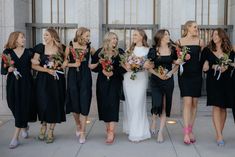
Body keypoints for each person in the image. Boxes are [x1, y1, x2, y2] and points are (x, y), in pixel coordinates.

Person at [1, 31, 36, 149]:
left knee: (22, 107)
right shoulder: (7, 53)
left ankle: (15, 138)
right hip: (13, 84)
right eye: (22, 37)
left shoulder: (29, 52)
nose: (24, 39)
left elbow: (36, 63)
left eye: (24, 37)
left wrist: (36, 62)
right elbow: (3, 70)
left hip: (27, 84)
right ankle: (24, 125)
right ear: (15, 39)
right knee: (12, 105)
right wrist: (8, 69)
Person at [31, 28, 66, 143]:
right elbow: (34, 66)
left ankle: (51, 130)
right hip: (43, 80)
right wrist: (47, 71)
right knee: (43, 103)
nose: (44, 37)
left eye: (46, 35)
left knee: (55, 104)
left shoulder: (62, 48)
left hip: (57, 80)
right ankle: (43, 126)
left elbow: (66, 62)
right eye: (44, 35)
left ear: (52, 36)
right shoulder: (40, 47)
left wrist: (62, 65)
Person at [201, 28, 234, 146]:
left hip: (226, 82)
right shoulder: (207, 50)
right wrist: (210, 66)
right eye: (213, 34)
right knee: (216, 106)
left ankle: (220, 131)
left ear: (222, 36)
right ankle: (219, 135)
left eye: (216, 34)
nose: (214, 36)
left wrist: (227, 67)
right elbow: (203, 65)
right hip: (213, 82)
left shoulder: (229, 50)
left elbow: (232, 64)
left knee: (224, 107)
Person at [91, 32, 125, 144]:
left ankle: (111, 131)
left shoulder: (120, 53)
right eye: (113, 38)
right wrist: (102, 69)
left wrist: (113, 73)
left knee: (113, 104)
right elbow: (93, 68)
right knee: (104, 104)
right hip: (102, 82)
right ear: (107, 40)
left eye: (116, 38)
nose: (115, 40)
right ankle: (108, 129)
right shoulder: (99, 52)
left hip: (115, 82)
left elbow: (124, 69)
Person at [64, 27, 95, 144]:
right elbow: (64, 63)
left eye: (89, 36)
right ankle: (78, 124)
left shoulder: (89, 48)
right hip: (72, 76)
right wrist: (73, 64)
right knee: (74, 101)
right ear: (80, 35)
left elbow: (98, 58)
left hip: (85, 77)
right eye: (87, 36)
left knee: (85, 101)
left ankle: (82, 131)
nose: (88, 38)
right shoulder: (70, 46)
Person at [148, 29, 178, 143]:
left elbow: (177, 64)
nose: (168, 36)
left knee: (164, 106)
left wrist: (170, 73)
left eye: (168, 34)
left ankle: (160, 132)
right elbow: (149, 67)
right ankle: (154, 120)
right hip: (156, 80)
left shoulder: (173, 50)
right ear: (160, 37)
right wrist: (158, 75)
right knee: (157, 103)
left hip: (168, 81)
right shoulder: (153, 50)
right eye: (165, 34)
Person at [176, 20, 204, 144]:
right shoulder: (179, 42)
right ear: (187, 27)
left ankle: (191, 129)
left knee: (194, 103)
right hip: (185, 75)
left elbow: (204, 57)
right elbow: (175, 58)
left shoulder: (200, 42)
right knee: (187, 101)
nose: (196, 29)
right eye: (194, 27)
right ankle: (186, 133)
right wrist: (181, 57)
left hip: (197, 75)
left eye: (197, 27)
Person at [122, 29, 152, 142]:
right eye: (133, 35)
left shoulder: (148, 50)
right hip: (128, 79)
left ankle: (138, 133)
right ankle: (131, 128)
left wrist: (139, 66)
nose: (133, 36)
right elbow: (124, 64)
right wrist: (128, 67)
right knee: (130, 104)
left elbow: (149, 65)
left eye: (135, 34)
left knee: (138, 104)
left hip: (141, 79)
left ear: (142, 37)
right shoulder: (129, 50)